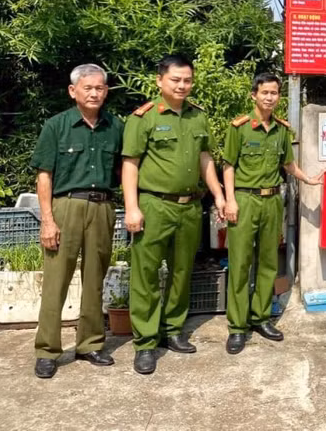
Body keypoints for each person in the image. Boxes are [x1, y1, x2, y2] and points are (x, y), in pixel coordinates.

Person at [121, 54, 226, 375]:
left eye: (187, 80)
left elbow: (205, 158)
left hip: (190, 207)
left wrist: (219, 194)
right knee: (147, 274)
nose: (182, 85)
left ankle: (173, 330)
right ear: (160, 81)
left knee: (182, 271)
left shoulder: (198, 116)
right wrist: (131, 207)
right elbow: (130, 165)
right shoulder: (144, 118)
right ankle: (146, 343)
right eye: (175, 80)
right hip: (154, 205)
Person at [30, 64, 123, 379]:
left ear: (106, 91)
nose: (94, 93)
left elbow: (124, 169)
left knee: (95, 279)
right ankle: (47, 351)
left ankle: (90, 344)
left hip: (102, 207)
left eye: (100, 88)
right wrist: (47, 220)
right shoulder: (56, 126)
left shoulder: (115, 126)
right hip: (66, 207)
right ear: (73, 91)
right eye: (88, 88)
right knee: (55, 281)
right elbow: (44, 175)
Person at [222, 72, 323, 355]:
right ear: (254, 95)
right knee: (240, 264)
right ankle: (237, 327)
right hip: (245, 199)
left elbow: (288, 164)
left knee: (268, 262)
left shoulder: (281, 130)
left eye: (274, 93)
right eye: (265, 92)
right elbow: (228, 166)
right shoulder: (239, 128)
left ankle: (261, 317)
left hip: (272, 201)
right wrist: (230, 201)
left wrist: (308, 179)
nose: (270, 97)